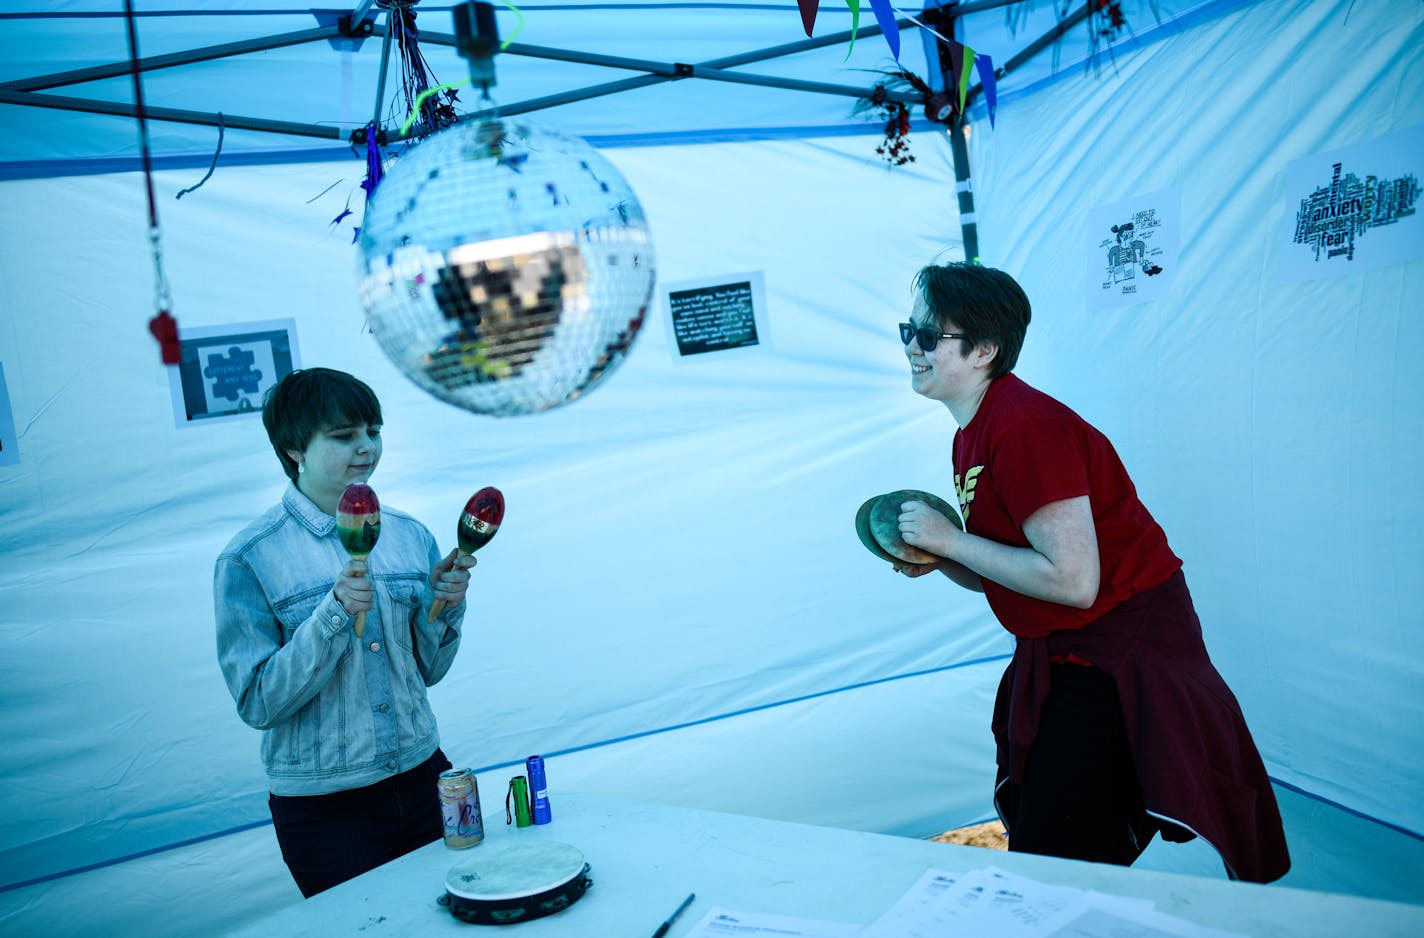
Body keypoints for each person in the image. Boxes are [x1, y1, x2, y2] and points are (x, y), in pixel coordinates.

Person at [892, 262, 1289, 882]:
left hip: (1119, 660)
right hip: (1069, 655)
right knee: (1048, 840)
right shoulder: (974, 430)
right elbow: (1015, 570)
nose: (913, 347)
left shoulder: (1026, 427)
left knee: (1059, 861)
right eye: (907, 331)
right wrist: (945, 558)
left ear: (985, 350)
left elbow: (1073, 582)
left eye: (930, 336)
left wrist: (952, 541)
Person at [215, 367, 476, 897]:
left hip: (426, 776)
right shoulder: (250, 558)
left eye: (373, 431)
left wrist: (443, 608)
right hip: (324, 809)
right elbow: (258, 703)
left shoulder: (409, 536)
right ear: (294, 449)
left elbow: (430, 672)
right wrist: (333, 615)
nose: (366, 448)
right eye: (343, 436)